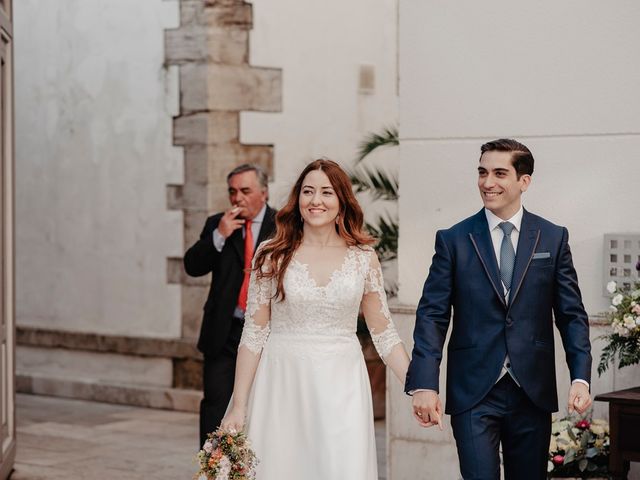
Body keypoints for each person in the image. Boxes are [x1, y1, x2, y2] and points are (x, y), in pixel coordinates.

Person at [405, 139, 592, 479]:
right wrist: (424, 384)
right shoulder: (454, 239)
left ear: (524, 181)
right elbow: (432, 315)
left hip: (531, 391)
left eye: (499, 173)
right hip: (474, 391)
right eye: (482, 172)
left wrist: (580, 376)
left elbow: (571, 315)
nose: (487, 182)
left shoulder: (552, 238)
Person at [221, 159, 410, 479]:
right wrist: (239, 404)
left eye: (326, 192)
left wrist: (416, 384)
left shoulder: (364, 257)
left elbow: (384, 333)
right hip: (282, 380)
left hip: (342, 382)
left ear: (342, 201)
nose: (316, 200)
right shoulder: (271, 254)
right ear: (298, 200)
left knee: (340, 466)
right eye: (308, 191)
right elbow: (253, 334)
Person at [183, 163, 276, 447]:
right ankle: (213, 469)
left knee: (262, 405)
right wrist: (219, 235)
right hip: (223, 332)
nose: (238, 198)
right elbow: (192, 266)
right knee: (215, 404)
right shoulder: (217, 224)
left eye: (245, 191)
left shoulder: (284, 224)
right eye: (233, 192)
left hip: (267, 334)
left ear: (264, 192)